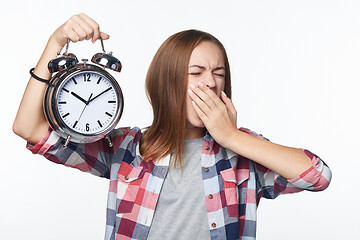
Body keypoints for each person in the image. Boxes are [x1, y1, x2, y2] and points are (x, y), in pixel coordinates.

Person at [13, 13, 332, 240]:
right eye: (196, 72)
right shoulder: (127, 148)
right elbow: (29, 128)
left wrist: (231, 137)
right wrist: (56, 42)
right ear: (168, 82)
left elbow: (318, 175)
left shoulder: (243, 151)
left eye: (218, 72)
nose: (210, 82)